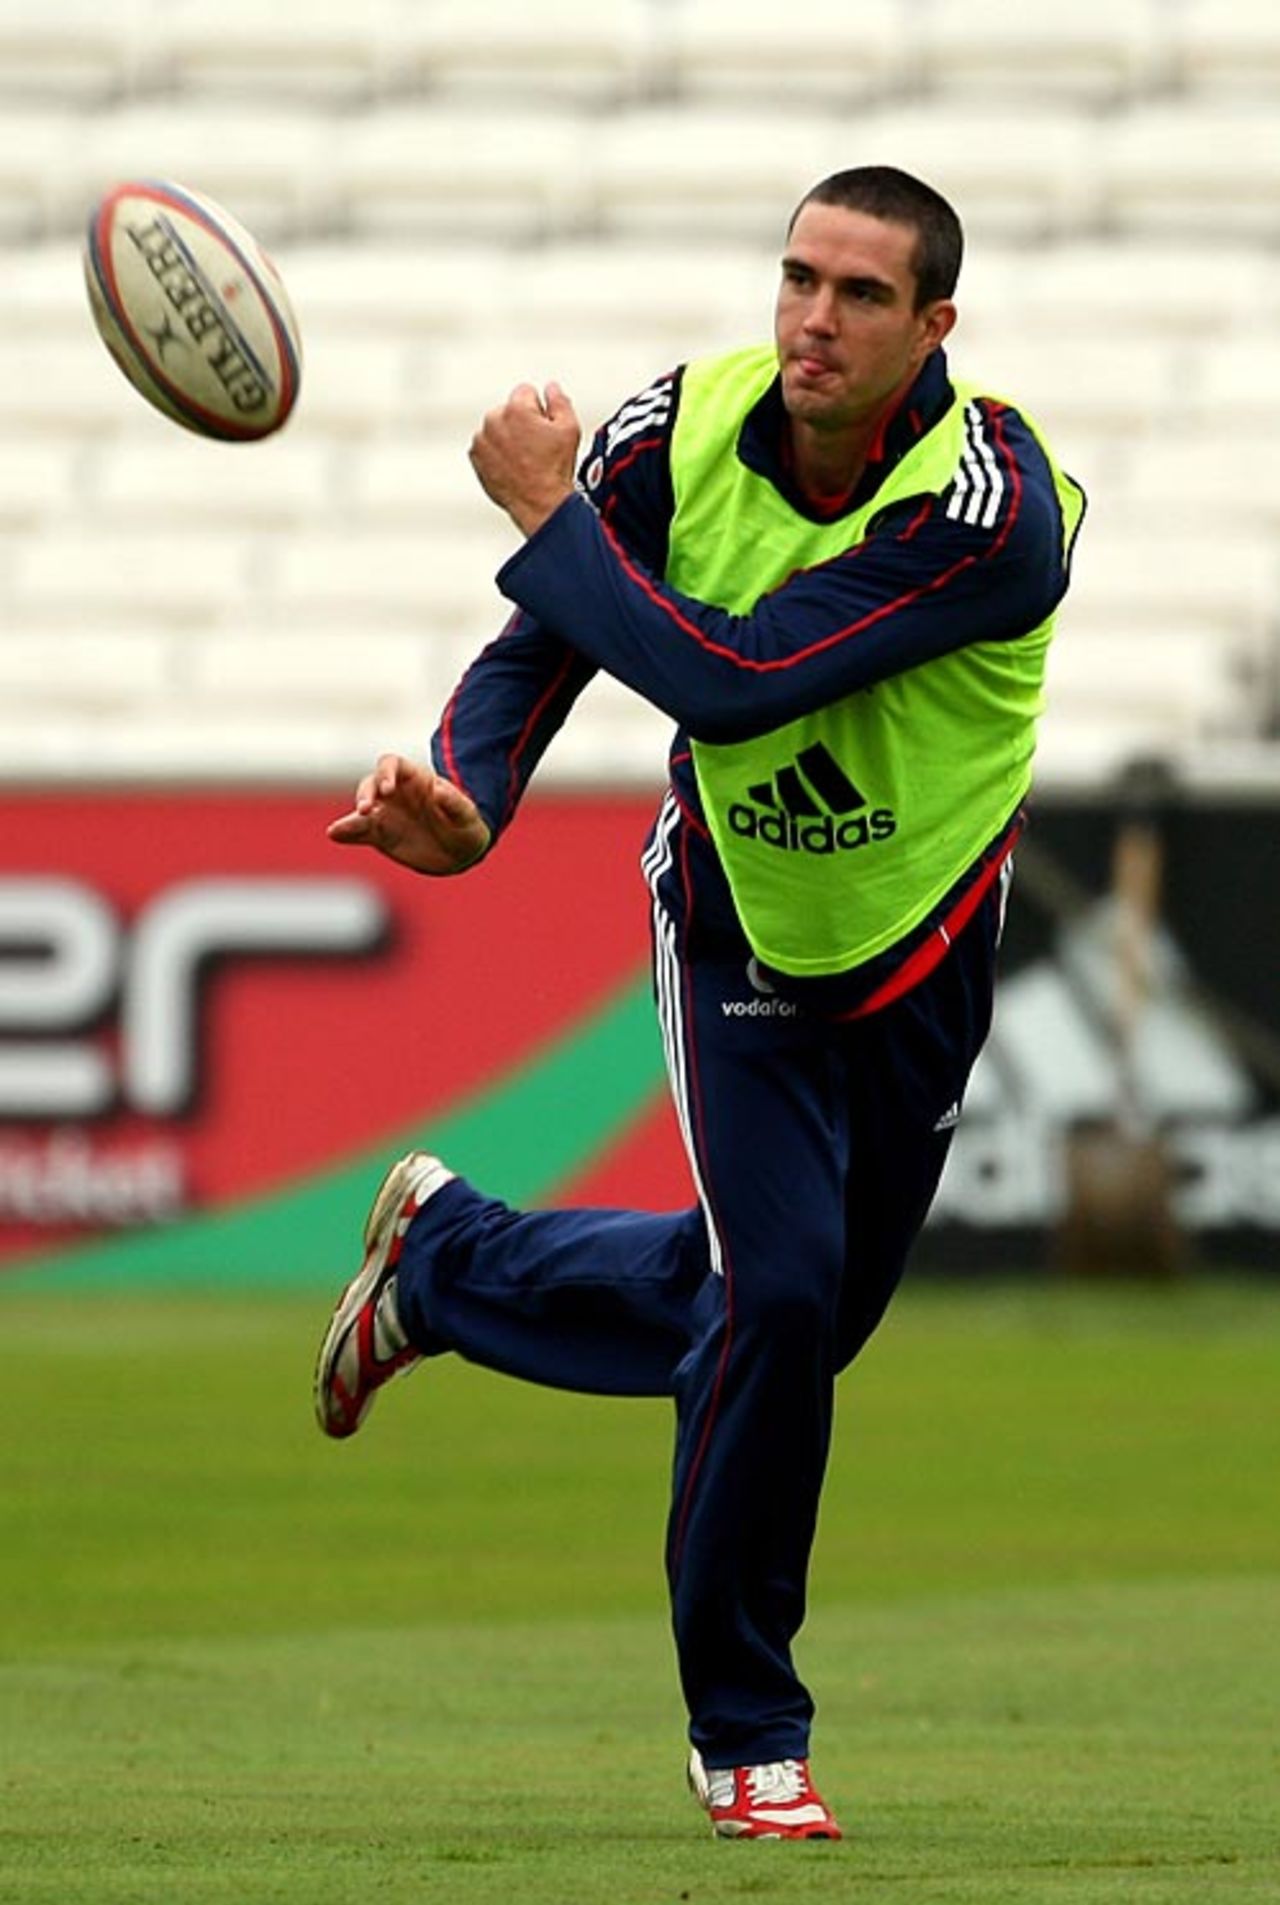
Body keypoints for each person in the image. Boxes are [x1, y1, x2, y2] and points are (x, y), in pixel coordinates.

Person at [313, 166, 1085, 1841]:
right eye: (798, 277)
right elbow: (547, 649)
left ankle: (444, 1260)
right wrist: (468, 787)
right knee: (780, 1297)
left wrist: (546, 521)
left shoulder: (995, 511)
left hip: (919, 944)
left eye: (862, 295)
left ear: (934, 326)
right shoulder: (678, 430)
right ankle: (751, 1730)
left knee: (773, 1317)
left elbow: (737, 682)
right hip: (732, 922)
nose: (813, 316)